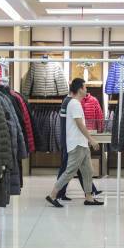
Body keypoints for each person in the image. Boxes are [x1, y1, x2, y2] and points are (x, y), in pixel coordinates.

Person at [46, 78, 104, 207]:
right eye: (85, 87)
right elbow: (79, 124)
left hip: (81, 144)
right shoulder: (74, 104)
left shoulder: (75, 103)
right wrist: (91, 139)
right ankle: (52, 195)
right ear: (79, 90)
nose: (86, 90)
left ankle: (89, 198)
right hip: (77, 144)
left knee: (88, 171)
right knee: (70, 171)